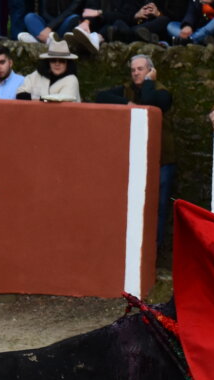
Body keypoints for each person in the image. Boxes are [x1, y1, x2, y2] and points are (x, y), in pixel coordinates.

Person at [95, 54, 176, 245]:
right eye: (133, 70)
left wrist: (149, 82)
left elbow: (149, 102)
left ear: (151, 71)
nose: (136, 73)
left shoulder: (162, 92)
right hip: (135, 157)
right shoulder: (126, 90)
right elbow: (100, 96)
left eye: (140, 69)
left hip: (162, 157)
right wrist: (127, 104)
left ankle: (155, 249)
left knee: (159, 204)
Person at [17, 37, 80, 101]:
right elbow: (20, 94)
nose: (57, 64)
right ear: (48, 62)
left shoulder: (71, 80)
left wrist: (35, 97)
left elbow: (60, 105)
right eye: (53, 60)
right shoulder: (37, 75)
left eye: (62, 60)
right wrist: (40, 99)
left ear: (68, 63)